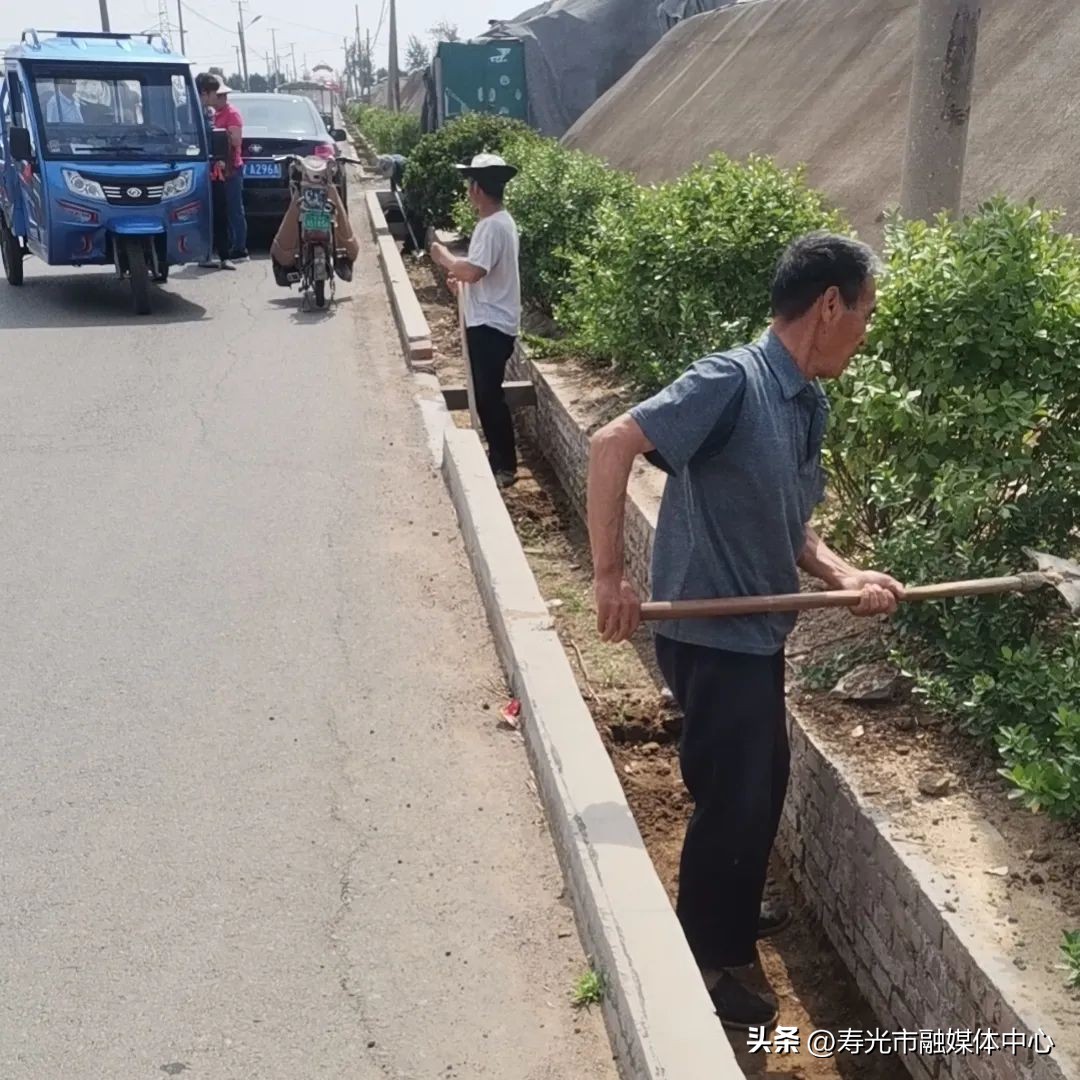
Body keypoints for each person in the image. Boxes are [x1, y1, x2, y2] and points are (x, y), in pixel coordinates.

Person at [586, 232, 905, 1031]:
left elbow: (792, 526)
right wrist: (608, 577)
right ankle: (709, 959)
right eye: (864, 315)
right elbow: (611, 442)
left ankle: (725, 907)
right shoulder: (733, 381)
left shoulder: (805, 401)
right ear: (830, 305)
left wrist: (843, 576)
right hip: (708, 632)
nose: (863, 335)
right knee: (734, 800)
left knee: (762, 785)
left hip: (758, 632)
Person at [429, 154, 521, 487]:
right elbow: (480, 276)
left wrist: (445, 258)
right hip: (491, 319)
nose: (469, 192)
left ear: (478, 189)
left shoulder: (492, 226)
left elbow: (474, 270)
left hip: (491, 325)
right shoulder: (500, 223)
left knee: (488, 395)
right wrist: (462, 285)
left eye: (470, 185)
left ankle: (505, 465)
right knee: (485, 393)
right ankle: (499, 458)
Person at [195, 73, 234, 271]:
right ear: (204, 93)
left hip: (213, 168)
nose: (215, 97)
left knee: (221, 210)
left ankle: (224, 255)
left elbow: (215, 137)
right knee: (201, 213)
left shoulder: (209, 112)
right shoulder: (186, 112)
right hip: (195, 169)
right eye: (213, 93)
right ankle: (204, 253)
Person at [213, 83, 248, 262]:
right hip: (218, 169)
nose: (220, 99)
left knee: (234, 209)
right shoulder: (214, 115)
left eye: (221, 96)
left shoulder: (232, 114)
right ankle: (225, 245)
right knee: (222, 209)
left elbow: (236, 141)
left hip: (231, 168)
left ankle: (240, 248)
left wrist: (220, 136)